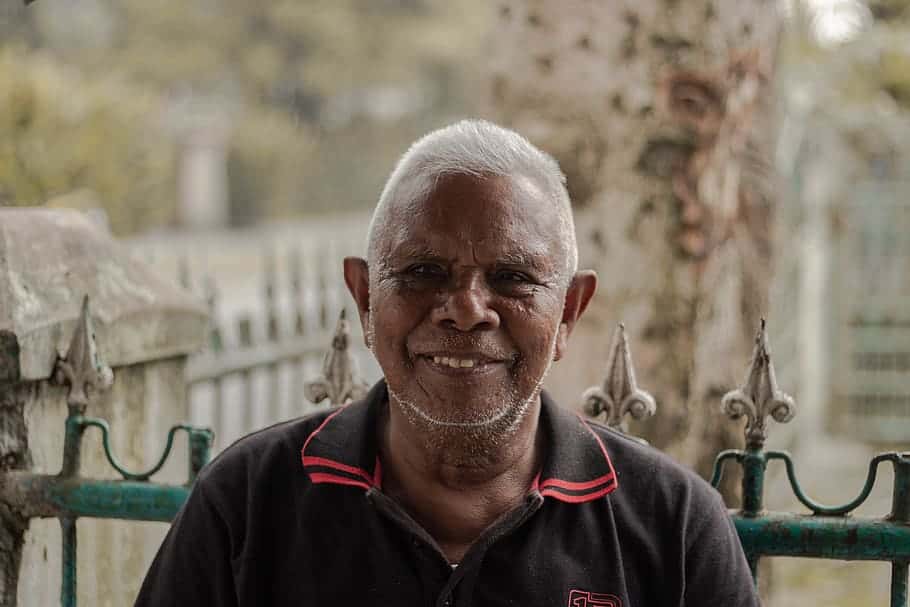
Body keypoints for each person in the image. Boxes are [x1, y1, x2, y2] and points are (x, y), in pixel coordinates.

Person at [135, 120, 759, 606]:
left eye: (512, 278)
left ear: (568, 312)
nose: (465, 310)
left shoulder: (673, 526)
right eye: (423, 273)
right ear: (364, 297)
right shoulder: (247, 504)